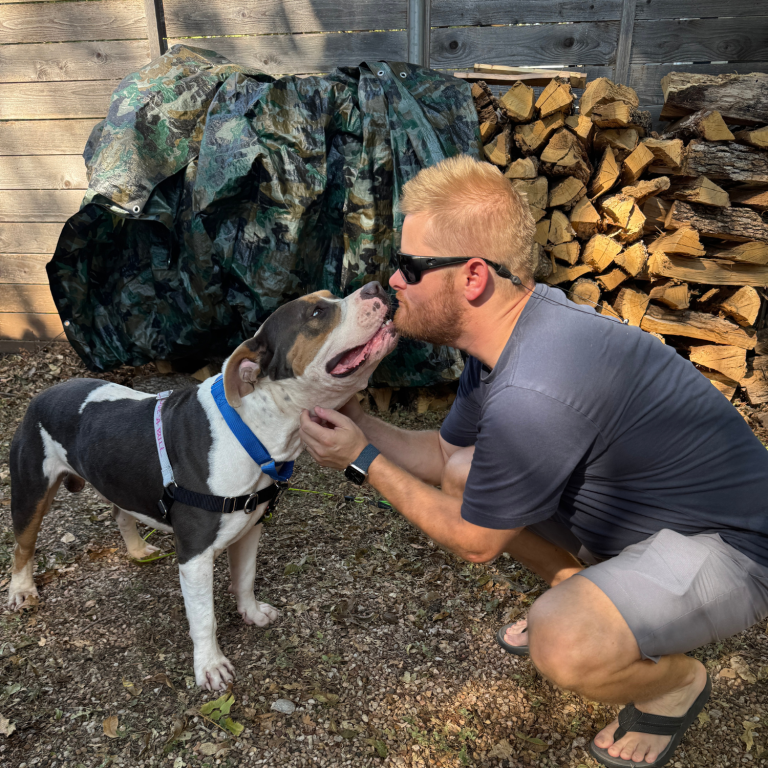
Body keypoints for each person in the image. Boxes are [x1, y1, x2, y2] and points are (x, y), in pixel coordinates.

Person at [298, 154, 768, 768]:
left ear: (471, 278)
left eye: (410, 267)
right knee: (466, 471)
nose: (393, 283)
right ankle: (585, 584)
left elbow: (475, 541)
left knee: (566, 640)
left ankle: (677, 684)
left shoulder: (536, 385)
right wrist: (360, 422)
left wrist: (361, 461)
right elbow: (443, 454)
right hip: (648, 523)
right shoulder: (508, 334)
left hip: (734, 547)